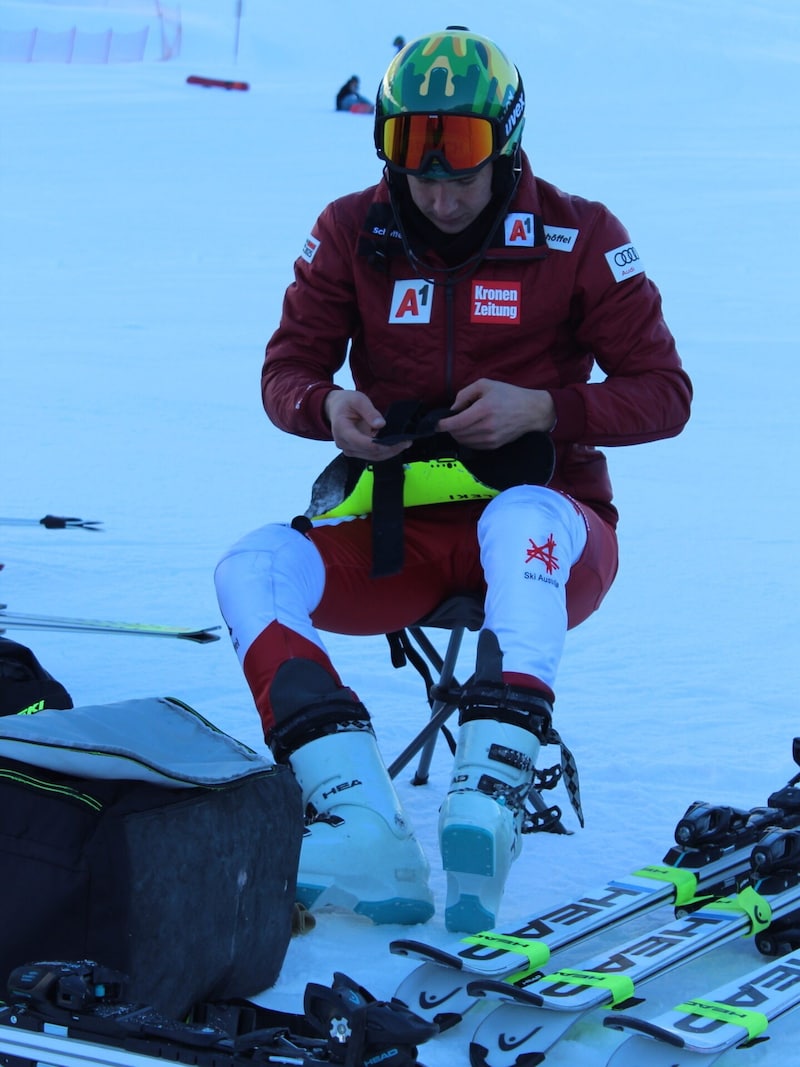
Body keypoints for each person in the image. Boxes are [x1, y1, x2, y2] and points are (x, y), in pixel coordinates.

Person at [215, 27, 692, 933]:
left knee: (517, 516)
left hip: (552, 532)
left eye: (461, 169)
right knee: (251, 565)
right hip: (400, 529)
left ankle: (487, 796)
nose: (438, 192)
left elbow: (665, 395)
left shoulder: (581, 234)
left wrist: (546, 408)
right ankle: (360, 824)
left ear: (506, 142)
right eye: (419, 169)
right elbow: (286, 371)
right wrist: (328, 408)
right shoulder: (350, 229)